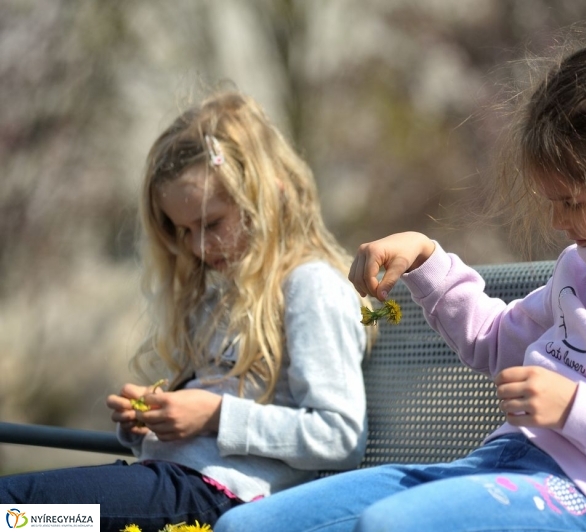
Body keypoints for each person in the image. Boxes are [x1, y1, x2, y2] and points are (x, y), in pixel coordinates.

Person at [214, 39, 586, 532]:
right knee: (245, 523)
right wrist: (425, 260)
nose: (559, 221)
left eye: (572, 202)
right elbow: (496, 340)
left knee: (390, 525)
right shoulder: (580, 269)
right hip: (497, 466)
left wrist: (575, 407)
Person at [0, 90, 371, 531]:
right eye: (182, 230)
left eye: (211, 224)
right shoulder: (221, 297)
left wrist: (213, 415)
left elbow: (341, 435)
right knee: (19, 517)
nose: (196, 246)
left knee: (17, 515)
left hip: (215, 497)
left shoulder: (312, 286)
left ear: (267, 196)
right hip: (166, 486)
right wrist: (153, 423)